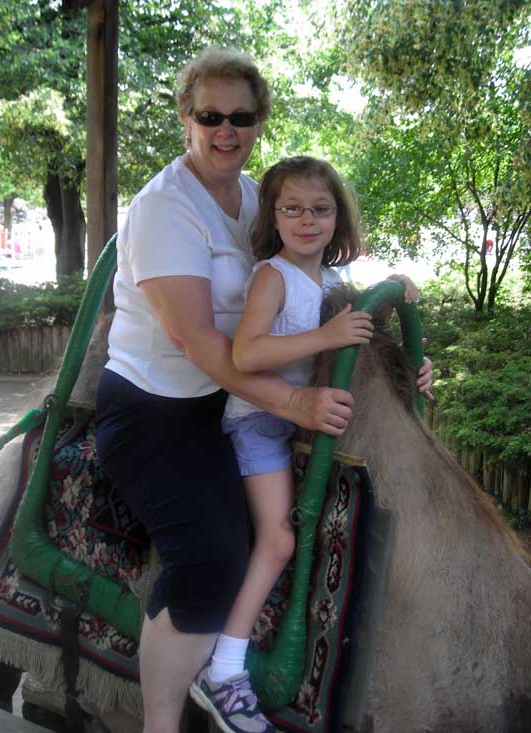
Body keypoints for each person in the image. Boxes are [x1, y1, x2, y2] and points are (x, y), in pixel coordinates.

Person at [95, 47, 433, 733]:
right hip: (157, 406)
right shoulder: (165, 209)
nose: (227, 131)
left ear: (258, 123)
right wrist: (294, 403)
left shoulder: (256, 197)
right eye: (210, 115)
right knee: (212, 554)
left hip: (227, 400)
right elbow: (201, 341)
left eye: (241, 117)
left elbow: (305, 281)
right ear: (186, 119)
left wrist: (398, 364)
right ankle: (164, 717)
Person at [190, 157, 421, 729]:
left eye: (320, 209)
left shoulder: (334, 284)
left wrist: (413, 367)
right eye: (292, 208)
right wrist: (326, 334)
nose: (307, 220)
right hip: (260, 421)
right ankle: (223, 669)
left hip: (303, 422)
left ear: (338, 218)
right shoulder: (272, 275)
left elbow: (358, 351)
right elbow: (245, 354)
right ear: (273, 216)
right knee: (279, 542)